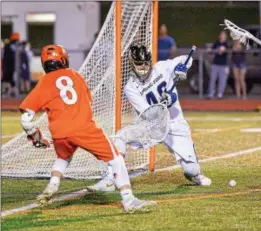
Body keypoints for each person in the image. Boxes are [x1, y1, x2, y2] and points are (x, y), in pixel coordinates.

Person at [19, 44, 156, 213]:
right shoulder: (75, 75)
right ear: (64, 59)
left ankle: (52, 185)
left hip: (59, 132)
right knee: (116, 158)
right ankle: (129, 200)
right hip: (83, 127)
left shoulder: (43, 82)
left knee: (63, 156)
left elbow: (26, 120)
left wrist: (35, 136)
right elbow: (87, 102)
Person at [88, 44, 211, 192]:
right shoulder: (131, 87)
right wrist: (165, 102)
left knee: (192, 170)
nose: (144, 68)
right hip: (151, 126)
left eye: (146, 63)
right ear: (132, 64)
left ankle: (194, 175)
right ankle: (110, 178)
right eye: (139, 64)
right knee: (120, 137)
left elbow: (187, 58)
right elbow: (149, 113)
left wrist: (181, 68)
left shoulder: (162, 67)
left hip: (174, 123)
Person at [207, 31, 229, 99]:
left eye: (223, 35)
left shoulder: (226, 44)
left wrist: (215, 51)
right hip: (215, 64)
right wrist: (216, 50)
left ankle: (220, 94)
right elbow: (210, 51)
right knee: (212, 79)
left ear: (225, 36)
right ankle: (211, 94)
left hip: (223, 65)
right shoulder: (216, 43)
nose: (222, 36)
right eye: (221, 34)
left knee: (222, 80)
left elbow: (221, 52)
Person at [2, 32, 21, 98]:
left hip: (13, 67)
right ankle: (7, 91)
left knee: (10, 79)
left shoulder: (15, 47)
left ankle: (11, 91)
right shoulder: (8, 46)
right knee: (7, 79)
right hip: (8, 66)